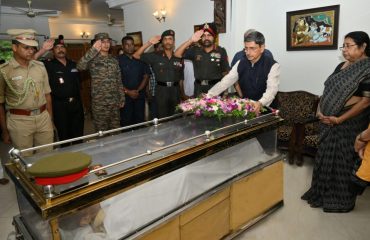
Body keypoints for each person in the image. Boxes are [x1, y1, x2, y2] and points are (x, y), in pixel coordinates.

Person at [301, 31, 370, 213]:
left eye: (349, 46)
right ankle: (320, 193)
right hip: (326, 119)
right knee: (324, 158)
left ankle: (341, 200)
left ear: (363, 47)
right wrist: (320, 110)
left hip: (349, 124)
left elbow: (365, 102)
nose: (345, 50)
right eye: (344, 46)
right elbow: (328, 87)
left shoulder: (368, 68)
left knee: (341, 161)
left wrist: (339, 119)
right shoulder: (341, 65)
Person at [0, 29, 54, 157]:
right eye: (26, 48)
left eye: (33, 48)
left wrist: (50, 119)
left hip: (43, 118)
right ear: (14, 47)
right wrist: (4, 130)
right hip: (20, 121)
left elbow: (47, 95)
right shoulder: (4, 71)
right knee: (25, 159)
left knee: (47, 156)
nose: (31, 51)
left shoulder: (40, 66)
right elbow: (0, 103)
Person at [207, 31, 280, 114]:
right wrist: (209, 95)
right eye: (246, 48)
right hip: (248, 108)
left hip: (267, 109)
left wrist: (260, 103)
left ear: (262, 48)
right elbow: (225, 82)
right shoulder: (240, 63)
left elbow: (272, 90)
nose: (248, 52)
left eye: (252, 48)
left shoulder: (273, 65)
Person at [35, 35, 84, 146]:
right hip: (59, 106)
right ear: (52, 51)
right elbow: (30, 61)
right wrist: (43, 50)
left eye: (62, 47)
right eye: (57, 47)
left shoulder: (74, 64)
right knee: (64, 136)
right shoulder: (48, 65)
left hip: (76, 104)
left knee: (79, 136)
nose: (60, 49)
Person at [77, 33, 125, 131]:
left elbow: (118, 80)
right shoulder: (92, 60)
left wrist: (122, 97)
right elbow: (80, 66)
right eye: (103, 42)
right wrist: (92, 50)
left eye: (108, 41)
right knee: (101, 132)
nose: (106, 44)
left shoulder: (114, 60)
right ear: (96, 43)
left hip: (114, 102)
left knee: (116, 131)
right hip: (100, 103)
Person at [133, 30, 185, 118]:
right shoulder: (155, 55)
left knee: (176, 117)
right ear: (162, 42)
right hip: (161, 91)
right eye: (165, 39)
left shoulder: (179, 57)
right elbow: (136, 55)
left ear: (174, 41)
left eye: (170, 39)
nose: (168, 41)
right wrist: (149, 43)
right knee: (162, 118)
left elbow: (181, 78)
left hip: (175, 91)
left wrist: (182, 94)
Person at [175, 23, 230, 96]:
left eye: (209, 35)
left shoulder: (221, 51)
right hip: (199, 89)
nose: (206, 38)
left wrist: (225, 92)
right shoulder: (195, 50)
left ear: (214, 37)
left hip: (216, 89)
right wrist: (190, 40)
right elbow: (176, 54)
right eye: (204, 36)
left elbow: (225, 73)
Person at [118, 36, 149, 126]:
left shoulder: (140, 59)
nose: (130, 47)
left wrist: (138, 91)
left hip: (139, 95)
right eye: (127, 45)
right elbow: (116, 81)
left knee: (140, 121)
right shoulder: (117, 60)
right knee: (126, 121)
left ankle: (140, 140)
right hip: (124, 97)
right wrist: (128, 92)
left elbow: (146, 76)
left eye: (132, 44)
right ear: (122, 46)